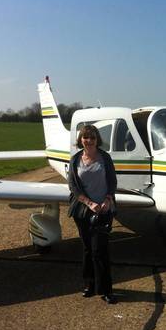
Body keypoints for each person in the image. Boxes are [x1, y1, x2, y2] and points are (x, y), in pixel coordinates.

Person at [68, 125, 117, 304]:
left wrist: (107, 199)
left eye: (93, 138)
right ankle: (89, 284)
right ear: (81, 139)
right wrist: (89, 203)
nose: (89, 141)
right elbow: (73, 187)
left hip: (104, 210)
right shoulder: (75, 160)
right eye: (86, 137)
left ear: (97, 140)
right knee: (88, 249)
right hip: (82, 211)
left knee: (100, 250)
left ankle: (106, 290)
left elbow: (112, 181)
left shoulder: (105, 158)